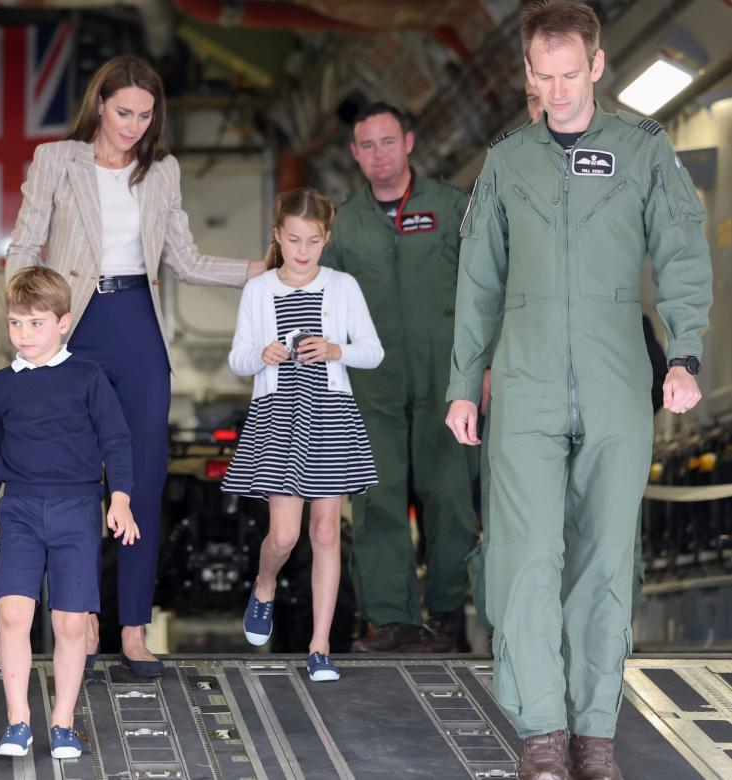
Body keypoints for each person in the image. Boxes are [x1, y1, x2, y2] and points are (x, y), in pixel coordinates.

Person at [445, 3, 711, 778]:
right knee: (524, 560)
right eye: (542, 76)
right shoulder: (505, 163)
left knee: (604, 562)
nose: (556, 91)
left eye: (570, 75)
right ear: (526, 74)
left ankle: (593, 734)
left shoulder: (643, 150)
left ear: (597, 67)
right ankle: (542, 734)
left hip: (616, 379)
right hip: (523, 386)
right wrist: (465, 383)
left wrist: (684, 356)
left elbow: (682, 256)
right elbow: (477, 283)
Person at [5, 55, 263, 676]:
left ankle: (135, 630)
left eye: (146, 116)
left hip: (138, 328)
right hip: (74, 324)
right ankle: (80, 618)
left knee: (141, 479)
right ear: (99, 105)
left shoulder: (163, 171)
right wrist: (29, 324)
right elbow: (23, 245)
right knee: (70, 480)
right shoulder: (56, 161)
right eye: (124, 112)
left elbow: (187, 259)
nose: (134, 126)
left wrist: (264, 271)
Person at [0, 267, 139, 760]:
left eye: (36, 323)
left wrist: (120, 497)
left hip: (77, 511)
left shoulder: (88, 377)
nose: (24, 334)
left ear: (64, 322)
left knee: (69, 624)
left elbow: (116, 440)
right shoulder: (0, 385)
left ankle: (62, 722)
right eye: (16, 323)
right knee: (12, 612)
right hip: (18, 510)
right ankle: (18, 720)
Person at [323, 103, 478, 653]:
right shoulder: (340, 227)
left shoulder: (452, 207)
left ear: (409, 142)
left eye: (388, 141)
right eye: (367, 145)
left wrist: (482, 370)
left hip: (446, 384)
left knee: (451, 502)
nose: (379, 154)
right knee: (376, 501)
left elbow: (486, 290)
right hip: (371, 390)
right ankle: (393, 621)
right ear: (354, 154)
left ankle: (447, 617)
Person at [222, 188, 382, 680]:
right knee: (286, 534)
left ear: (326, 239)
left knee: (326, 531)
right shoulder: (259, 290)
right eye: (293, 239)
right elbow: (238, 359)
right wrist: (263, 356)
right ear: (277, 236)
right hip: (278, 413)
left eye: (313, 240)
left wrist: (336, 349)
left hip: (330, 412)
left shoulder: (343, 286)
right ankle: (264, 585)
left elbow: (372, 351)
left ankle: (319, 646)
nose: (303, 250)